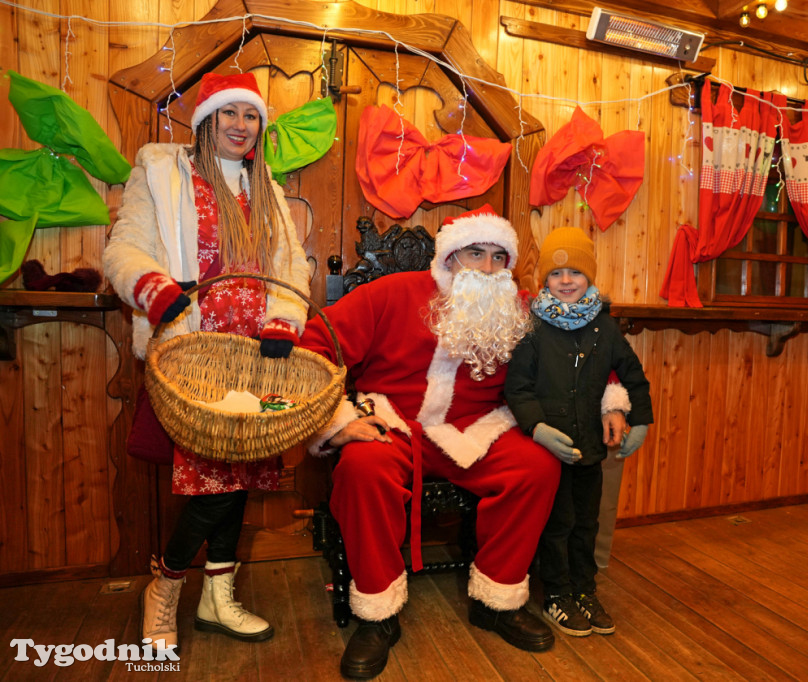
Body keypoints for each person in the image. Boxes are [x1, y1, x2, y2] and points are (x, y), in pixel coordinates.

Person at [300, 205, 561, 679]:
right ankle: (377, 614)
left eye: (498, 257)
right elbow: (313, 348)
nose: (486, 268)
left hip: (478, 429)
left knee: (537, 465)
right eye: (474, 253)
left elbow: (580, 345)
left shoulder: (519, 309)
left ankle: (497, 601)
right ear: (449, 257)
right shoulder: (390, 294)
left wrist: (612, 399)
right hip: (393, 424)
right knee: (362, 469)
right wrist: (337, 422)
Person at [103, 72, 311, 653]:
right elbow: (125, 246)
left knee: (239, 475)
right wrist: (153, 288)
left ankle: (219, 598)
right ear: (205, 120)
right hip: (193, 351)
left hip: (257, 353)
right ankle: (165, 585)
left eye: (251, 116)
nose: (242, 126)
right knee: (210, 485)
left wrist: (285, 318)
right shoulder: (163, 173)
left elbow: (291, 265)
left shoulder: (262, 183)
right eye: (230, 114)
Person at [505, 226, 653, 637]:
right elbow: (517, 387)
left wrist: (640, 418)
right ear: (543, 281)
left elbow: (632, 375)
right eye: (556, 274)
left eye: (575, 273)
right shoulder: (531, 328)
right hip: (550, 452)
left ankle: (584, 590)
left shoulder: (604, 328)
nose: (565, 281)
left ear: (589, 277)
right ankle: (556, 594)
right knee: (558, 524)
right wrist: (535, 427)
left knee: (585, 523)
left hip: (589, 447)